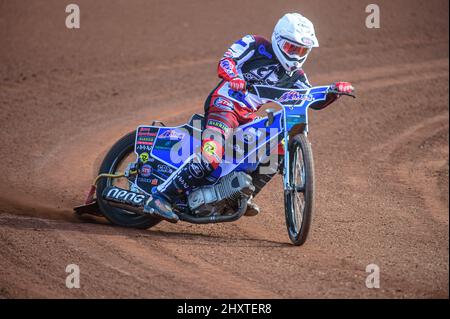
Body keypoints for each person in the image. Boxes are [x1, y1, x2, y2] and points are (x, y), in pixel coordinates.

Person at [147, 12, 354, 222]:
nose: (296, 54)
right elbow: (227, 60)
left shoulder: (296, 76)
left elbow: (310, 100)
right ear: (278, 40)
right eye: (291, 48)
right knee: (212, 154)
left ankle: (240, 194)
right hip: (224, 105)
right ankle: (161, 197)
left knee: (278, 146)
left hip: (247, 116)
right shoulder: (255, 44)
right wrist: (235, 77)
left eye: (302, 50)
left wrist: (333, 93)